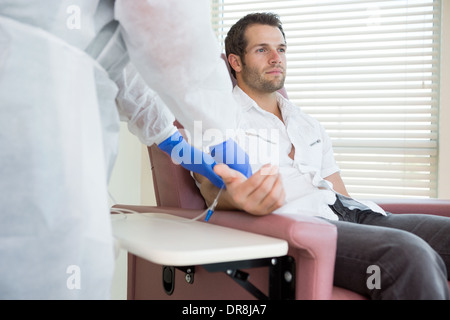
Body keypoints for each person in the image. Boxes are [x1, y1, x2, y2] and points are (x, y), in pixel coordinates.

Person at [0, 0, 251, 299]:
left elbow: (120, 64)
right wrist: (218, 129)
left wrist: (171, 138)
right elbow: (167, 20)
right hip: (34, 87)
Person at [194, 12, 450, 299]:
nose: (276, 58)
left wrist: (371, 233)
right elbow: (209, 191)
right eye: (262, 49)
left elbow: (338, 189)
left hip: (354, 215)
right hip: (303, 228)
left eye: (281, 49)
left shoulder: (306, 122)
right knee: (408, 254)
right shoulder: (218, 118)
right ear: (235, 62)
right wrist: (237, 198)